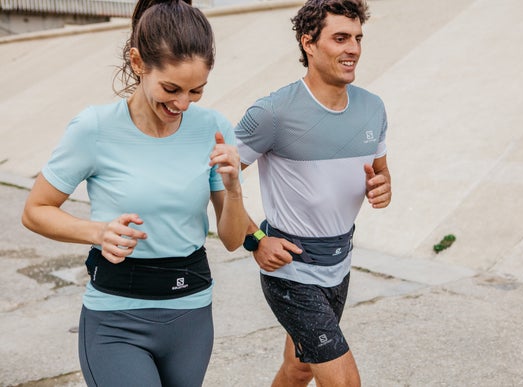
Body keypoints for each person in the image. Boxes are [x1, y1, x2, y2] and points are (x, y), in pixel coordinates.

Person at [21, 1, 248, 386]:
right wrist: (97, 232)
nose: (182, 104)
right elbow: (35, 210)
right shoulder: (94, 128)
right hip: (116, 319)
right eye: (171, 89)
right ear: (139, 62)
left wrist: (234, 188)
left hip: (191, 315)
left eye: (196, 91)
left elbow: (231, 240)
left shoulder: (212, 128)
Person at [235, 0, 392, 385]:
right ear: (309, 43)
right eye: (340, 38)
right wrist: (255, 240)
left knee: (299, 367)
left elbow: (382, 174)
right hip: (291, 270)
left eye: (357, 38)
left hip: (339, 262)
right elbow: (216, 179)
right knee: (344, 382)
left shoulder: (373, 108)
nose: (353, 48)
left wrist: (383, 188)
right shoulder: (273, 112)